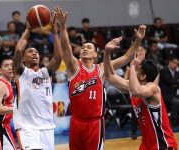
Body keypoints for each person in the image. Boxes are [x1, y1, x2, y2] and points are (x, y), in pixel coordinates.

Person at [54, 6, 146, 150]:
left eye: (89, 47)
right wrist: (63, 26)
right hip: (76, 122)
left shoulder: (101, 68)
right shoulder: (74, 68)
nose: (85, 48)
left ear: (95, 54)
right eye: (83, 47)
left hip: (95, 123)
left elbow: (127, 57)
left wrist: (138, 40)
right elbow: (66, 48)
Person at [104, 37, 178, 149]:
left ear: (143, 76)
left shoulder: (153, 88)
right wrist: (107, 52)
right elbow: (109, 76)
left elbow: (136, 91)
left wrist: (133, 65)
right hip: (147, 145)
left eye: (137, 70)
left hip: (163, 145)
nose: (133, 70)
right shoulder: (133, 86)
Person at [12, 14, 62, 150]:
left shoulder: (45, 72)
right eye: (30, 52)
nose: (34, 53)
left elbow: (58, 57)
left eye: (36, 52)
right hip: (27, 128)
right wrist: (27, 30)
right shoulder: (20, 72)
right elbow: (18, 50)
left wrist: (54, 32)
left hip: (47, 127)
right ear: (23, 59)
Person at [159, 57, 179, 125]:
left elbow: (174, 83)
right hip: (165, 96)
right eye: (174, 63)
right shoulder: (164, 70)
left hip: (173, 95)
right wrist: (175, 83)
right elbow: (169, 81)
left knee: (176, 101)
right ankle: (171, 121)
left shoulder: (177, 73)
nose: (175, 65)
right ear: (170, 62)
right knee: (177, 102)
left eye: (177, 64)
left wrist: (174, 83)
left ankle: (174, 120)